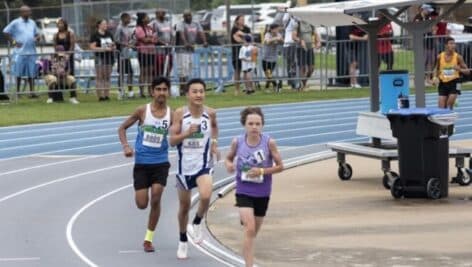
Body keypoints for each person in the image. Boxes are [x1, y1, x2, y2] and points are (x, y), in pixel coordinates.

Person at [118, 76, 172, 253]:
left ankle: (148, 239)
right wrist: (126, 146)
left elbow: (179, 133)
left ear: (168, 92)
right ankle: (147, 201)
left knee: (156, 195)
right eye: (158, 89)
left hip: (161, 162)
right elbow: (121, 128)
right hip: (142, 163)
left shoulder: (172, 114)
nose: (161, 93)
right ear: (152, 91)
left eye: (165, 89)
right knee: (142, 204)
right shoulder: (143, 111)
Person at [224, 106, 284, 267]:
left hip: (262, 192)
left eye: (258, 124)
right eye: (251, 123)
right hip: (243, 190)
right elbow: (228, 158)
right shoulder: (237, 142)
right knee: (249, 229)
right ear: (244, 125)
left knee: (252, 232)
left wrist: (262, 171)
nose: (254, 127)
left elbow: (280, 166)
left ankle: (246, 243)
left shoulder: (269, 142)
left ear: (262, 125)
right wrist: (229, 165)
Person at [169, 78, 219, 259]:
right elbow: (172, 141)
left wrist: (214, 144)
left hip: (203, 163)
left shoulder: (211, 113)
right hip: (184, 167)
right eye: (195, 91)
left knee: (206, 194)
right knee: (184, 207)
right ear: (187, 94)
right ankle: (183, 240)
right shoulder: (179, 114)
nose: (199, 95)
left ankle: (197, 223)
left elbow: (214, 128)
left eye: (201, 91)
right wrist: (186, 133)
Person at [3, 5, 40, 98]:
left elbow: (37, 34)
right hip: (20, 52)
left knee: (32, 73)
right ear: (22, 12)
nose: (29, 13)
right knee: (18, 72)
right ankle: (18, 93)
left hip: (31, 51)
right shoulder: (16, 22)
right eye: (27, 11)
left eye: (29, 11)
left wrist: (37, 38)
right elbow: (5, 32)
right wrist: (14, 42)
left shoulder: (32, 22)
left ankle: (32, 92)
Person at [175, 10, 207, 95]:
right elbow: (181, 34)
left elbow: (201, 32)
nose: (188, 17)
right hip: (182, 51)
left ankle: (187, 89)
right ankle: (182, 90)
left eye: (189, 15)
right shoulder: (180, 24)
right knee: (183, 70)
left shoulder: (196, 24)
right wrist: (185, 43)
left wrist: (205, 41)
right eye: (186, 16)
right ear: (183, 17)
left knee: (189, 70)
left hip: (191, 50)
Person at [433, 37, 470, 109]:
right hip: (443, 83)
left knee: (449, 105)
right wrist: (434, 77)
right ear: (446, 45)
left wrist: (460, 69)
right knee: (441, 108)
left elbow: (468, 72)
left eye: (454, 44)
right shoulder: (440, 56)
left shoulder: (458, 57)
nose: (453, 45)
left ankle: (454, 98)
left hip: (455, 82)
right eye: (451, 43)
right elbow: (436, 68)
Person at [89, 19, 116, 101]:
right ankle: (100, 96)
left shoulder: (109, 34)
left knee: (107, 77)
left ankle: (107, 95)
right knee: (100, 77)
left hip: (109, 57)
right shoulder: (95, 35)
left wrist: (113, 47)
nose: (105, 25)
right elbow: (92, 47)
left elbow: (113, 44)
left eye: (106, 24)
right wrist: (104, 49)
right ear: (99, 25)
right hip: (100, 57)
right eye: (104, 24)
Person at [135, 12, 157, 98]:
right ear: (142, 19)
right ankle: (141, 92)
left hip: (151, 52)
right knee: (143, 72)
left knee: (150, 72)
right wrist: (150, 39)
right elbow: (144, 40)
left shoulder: (150, 28)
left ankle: (150, 91)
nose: (148, 18)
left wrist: (150, 39)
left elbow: (155, 39)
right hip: (143, 53)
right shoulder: (139, 28)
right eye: (147, 17)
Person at [114, 12, 135, 99]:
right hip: (121, 53)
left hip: (127, 54)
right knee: (121, 73)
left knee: (130, 72)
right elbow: (116, 40)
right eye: (128, 18)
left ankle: (130, 91)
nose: (130, 20)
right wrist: (125, 44)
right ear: (123, 19)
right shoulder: (119, 28)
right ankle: (120, 91)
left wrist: (131, 42)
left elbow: (129, 39)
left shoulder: (128, 28)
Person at [414, 4, 436, 85]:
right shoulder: (417, 18)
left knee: (431, 61)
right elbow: (418, 29)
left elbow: (433, 28)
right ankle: (418, 78)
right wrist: (428, 30)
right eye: (428, 10)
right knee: (423, 62)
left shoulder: (429, 17)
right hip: (421, 43)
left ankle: (428, 79)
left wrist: (431, 30)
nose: (429, 12)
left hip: (430, 42)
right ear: (423, 9)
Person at [296, 19, 321, 90]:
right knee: (302, 68)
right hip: (301, 48)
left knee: (311, 68)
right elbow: (294, 36)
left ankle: (303, 83)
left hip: (310, 48)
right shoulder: (298, 24)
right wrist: (300, 41)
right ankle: (302, 85)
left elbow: (316, 34)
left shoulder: (310, 23)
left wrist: (318, 42)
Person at [231, 15, 251, 95]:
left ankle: (248, 89)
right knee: (237, 71)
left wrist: (243, 38)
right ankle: (237, 89)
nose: (243, 21)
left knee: (246, 70)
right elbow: (237, 39)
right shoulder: (234, 29)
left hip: (246, 51)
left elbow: (249, 37)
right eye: (241, 19)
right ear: (237, 21)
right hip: (237, 52)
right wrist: (244, 39)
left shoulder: (247, 28)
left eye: (244, 19)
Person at [151, 8, 174, 77]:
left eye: (164, 13)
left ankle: (166, 81)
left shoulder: (168, 23)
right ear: (157, 14)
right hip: (158, 51)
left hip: (168, 51)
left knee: (169, 66)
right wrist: (164, 43)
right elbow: (154, 37)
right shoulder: (154, 23)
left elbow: (172, 35)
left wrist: (172, 43)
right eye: (162, 13)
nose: (163, 14)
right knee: (158, 69)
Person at [262, 23, 283, 92]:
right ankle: (275, 85)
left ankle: (269, 86)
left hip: (273, 58)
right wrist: (276, 38)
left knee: (269, 74)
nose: (277, 30)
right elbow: (267, 41)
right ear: (272, 29)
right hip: (265, 57)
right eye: (276, 28)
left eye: (278, 28)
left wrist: (280, 40)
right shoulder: (267, 34)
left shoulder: (279, 35)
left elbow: (282, 42)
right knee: (268, 74)